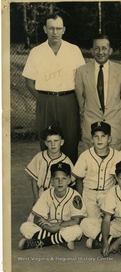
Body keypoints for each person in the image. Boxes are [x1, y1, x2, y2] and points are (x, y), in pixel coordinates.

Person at [22, 13, 85, 164]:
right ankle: (48, 182)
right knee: (47, 143)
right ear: (45, 29)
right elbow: (29, 82)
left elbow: (82, 79)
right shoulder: (36, 52)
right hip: (45, 101)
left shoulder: (74, 50)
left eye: (58, 28)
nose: (55, 32)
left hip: (69, 101)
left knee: (70, 143)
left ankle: (70, 184)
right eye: (51, 28)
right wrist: (44, 99)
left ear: (64, 30)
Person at [75, 34, 121, 151]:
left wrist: (116, 115)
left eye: (104, 48)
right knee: (91, 166)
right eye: (97, 48)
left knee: (115, 166)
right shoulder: (81, 71)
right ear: (91, 50)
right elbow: (81, 99)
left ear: (110, 51)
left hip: (114, 128)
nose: (100, 52)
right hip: (91, 127)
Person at [19, 162, 87, 251]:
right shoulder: (46, 194)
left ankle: (39, 242)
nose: (60, 182)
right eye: (56, 179)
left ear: (69, 180)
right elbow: (37, 217)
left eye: (64, 178)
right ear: (51, 181)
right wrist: (49, 228)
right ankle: (60, 240)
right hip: (48, 227)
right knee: (25, 227)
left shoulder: (75, 196)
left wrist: (57, 227)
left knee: (77, 230)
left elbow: (76, 220)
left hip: (65, 227)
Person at [72, 121, 121, 219]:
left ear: (109, 139)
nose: (99, 139)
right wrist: (80, 199)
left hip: (108, 192)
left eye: (103, 136)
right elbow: (79, 180)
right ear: (91, 139)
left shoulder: (117, 155)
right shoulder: (85, 156)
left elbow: (119, 180)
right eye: (96, 136)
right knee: (90, 223)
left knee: (113, 218)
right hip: (89, 193)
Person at [25, 125, 75, 205]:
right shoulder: (39, 157)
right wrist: (36, 198)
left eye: (56, 141)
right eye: (49, 141)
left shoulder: (67, 161)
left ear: (61, 142)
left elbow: (71, 183)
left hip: (57, 196)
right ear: (45, 143)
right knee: (35, 217)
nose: (53, 144)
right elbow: (34, 180)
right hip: (41, 193)